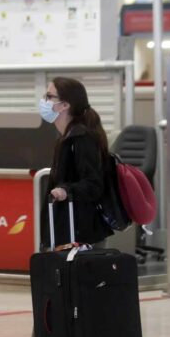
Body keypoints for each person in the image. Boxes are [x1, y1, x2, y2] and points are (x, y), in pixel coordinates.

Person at [39, 77, 113, 248]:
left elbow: (93, 184)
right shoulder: (67, 136)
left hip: (81, 231)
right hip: (69, 226)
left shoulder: (82, 137)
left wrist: (66, 190)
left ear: (65, 105)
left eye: (49, 97)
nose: (44, 101)